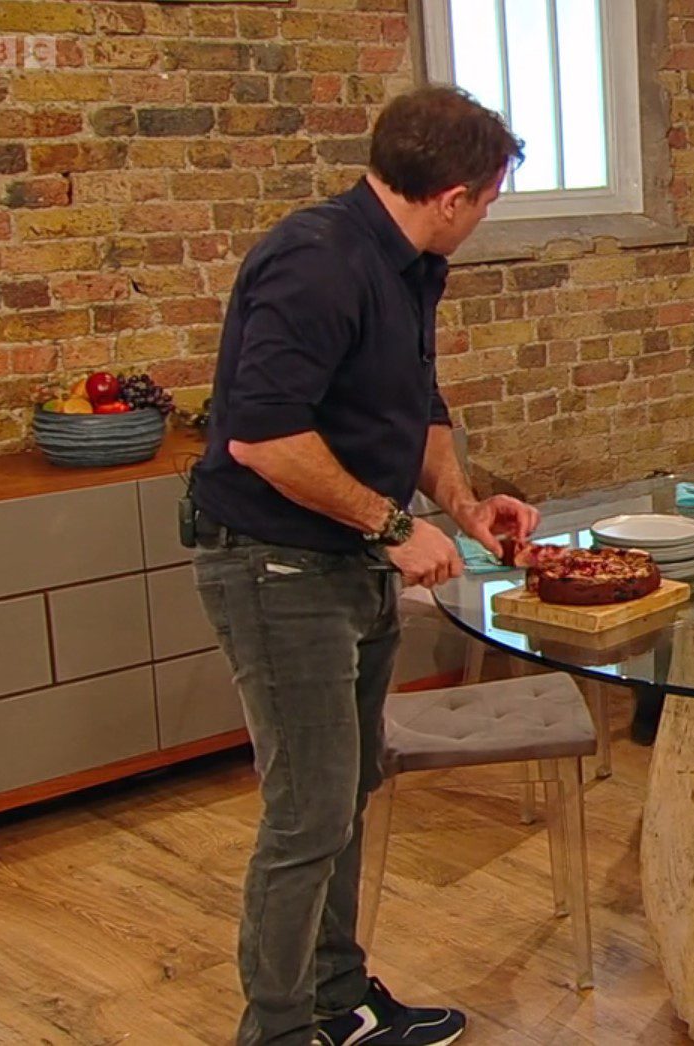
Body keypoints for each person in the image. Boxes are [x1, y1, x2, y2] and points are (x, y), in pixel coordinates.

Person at [189, 86, 537, 1045]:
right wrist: (394, 528)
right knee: (307, 812)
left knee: (347, 792)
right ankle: (277, 1032)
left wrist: (461, 507)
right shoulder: (319, 264)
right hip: (272, 566)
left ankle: (336, 1002)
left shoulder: (410, 261)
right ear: (455, 194)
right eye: (493, 197)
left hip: (344, 561)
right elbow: (263, 439)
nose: (487, 214)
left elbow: (412, 405)